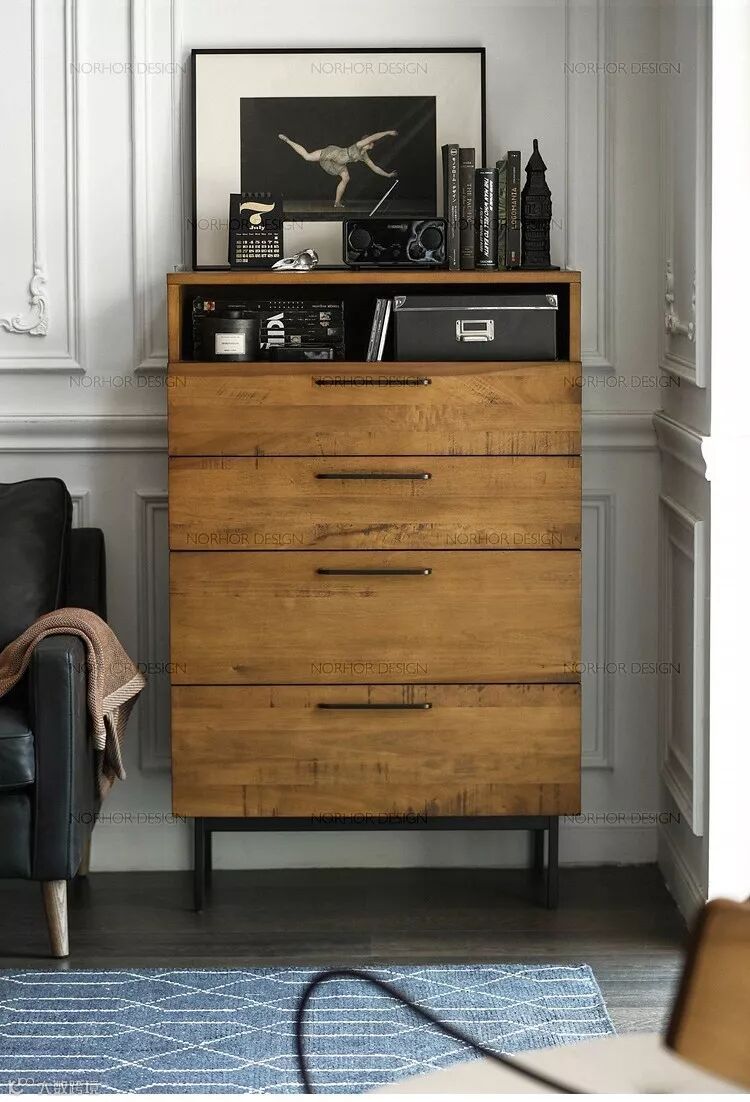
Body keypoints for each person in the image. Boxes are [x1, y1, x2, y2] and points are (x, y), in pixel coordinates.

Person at [278, 130, 398, 208]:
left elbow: (374, 167)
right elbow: (374, 136)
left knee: (346, 178)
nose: (372, 144)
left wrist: (387, 175)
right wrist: (388, 132)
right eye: (371, 142)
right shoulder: (359, 145)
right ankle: (288, 140)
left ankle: (337, 202)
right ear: (368, 142)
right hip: (334, 153)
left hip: (339, 164)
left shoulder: (364, 156)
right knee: (307, 157)